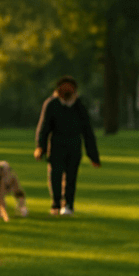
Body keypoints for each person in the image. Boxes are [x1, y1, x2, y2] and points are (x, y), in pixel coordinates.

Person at [33, 75, 102, 216]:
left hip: (74, 146)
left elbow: (88, 131)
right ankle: (56, 204)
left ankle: (69, 205)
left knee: (71, 177)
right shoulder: (51, 104)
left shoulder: (79, 106)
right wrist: (41, 147)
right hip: (56, 145)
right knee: (55, 176)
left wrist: (93, 156)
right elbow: (44, 128)